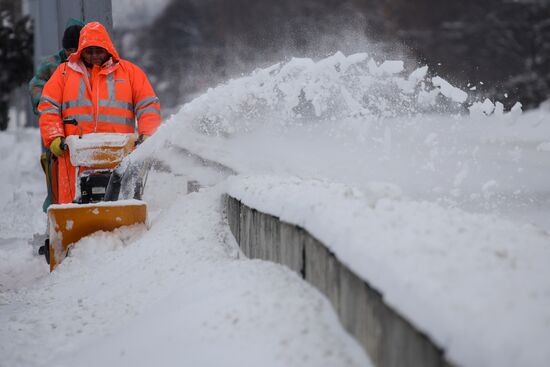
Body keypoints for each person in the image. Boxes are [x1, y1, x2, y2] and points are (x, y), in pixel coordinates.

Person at [37, 21, 161, 205]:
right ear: (81, 51)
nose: (94, 56)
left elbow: (148, 105)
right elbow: (48, 106)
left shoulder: (130, 73)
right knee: (71, 208)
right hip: (74, 158)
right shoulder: (63, 73)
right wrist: (54, 136)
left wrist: (148, 133)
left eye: (99, 51)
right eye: (89, 51)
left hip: (119, 157)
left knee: (120, 204)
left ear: (108, 49)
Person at [29, 18, 84, 211]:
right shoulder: (52, 65)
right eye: (69, 50)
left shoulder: (89, 61)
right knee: (55, 171)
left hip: (79, 128)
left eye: (76, 50)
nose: (72, 54)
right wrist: (47, 103)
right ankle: (56, 207)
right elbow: (36, 85)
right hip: (57, 128)